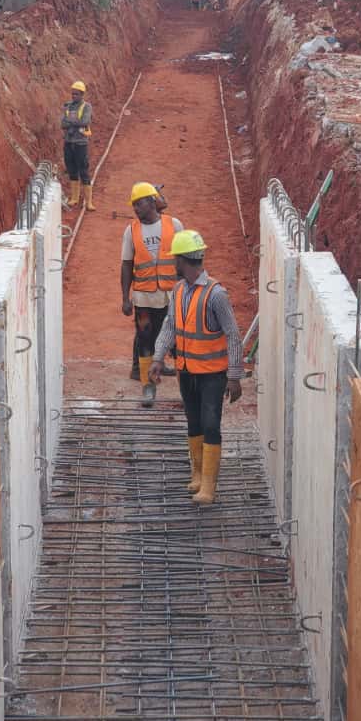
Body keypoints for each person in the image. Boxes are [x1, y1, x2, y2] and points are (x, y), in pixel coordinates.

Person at [149, 229, 243, 505]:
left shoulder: (216, 295)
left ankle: (209, 488)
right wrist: (158, 357)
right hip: (187, 371)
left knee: (211, 424)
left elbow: (233, 335)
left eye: (175, 259)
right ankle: (198, 475)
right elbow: (170, 326)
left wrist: (234, 376)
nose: (173, 263)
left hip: (212, 375)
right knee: (194, 422)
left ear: (183, 260)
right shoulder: (178, 290)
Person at [121, 182, 183, 407]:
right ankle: (148, 387)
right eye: (134, 205)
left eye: (139, 203)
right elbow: (126, 265)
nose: (136, 208)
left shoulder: (174, 225)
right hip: (144, 300)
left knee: (178, 344)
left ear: (152, 202)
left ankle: (185, 389)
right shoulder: (131, 230)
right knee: (145, 341)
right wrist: (125, 298)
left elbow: (185, 258)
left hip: (172, 299)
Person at [130, 183, 176, 381]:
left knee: (157, 330)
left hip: (164, 289)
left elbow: (162, 205)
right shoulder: (134, 230)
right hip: (145, 290)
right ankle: (138, 369)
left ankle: (157, 364)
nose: (136, 209)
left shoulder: (168, 222)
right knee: (145, 333)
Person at [61, 80, 95, 210]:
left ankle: (89, 202)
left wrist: (70, 121)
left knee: (84, 171)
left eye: (76, 94)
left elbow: (85, 121)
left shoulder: (86, 107)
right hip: (69, 143)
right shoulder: (68, 106)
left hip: (81, 143)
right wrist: (75, 122)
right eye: (72, 94)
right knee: (72, 170)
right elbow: (62, 124)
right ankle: (74, 198)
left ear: (82, 95)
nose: (73, 96)